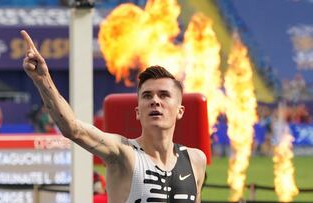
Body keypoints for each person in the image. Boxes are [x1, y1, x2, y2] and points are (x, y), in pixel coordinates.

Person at [21, 30, 206, 203]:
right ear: (138, 112)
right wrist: (43, 80)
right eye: (147, 96)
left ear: (180, 110)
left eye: (164, 95)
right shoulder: (122, 153)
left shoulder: (196, 160)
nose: (155, 101)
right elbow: (73, 129)